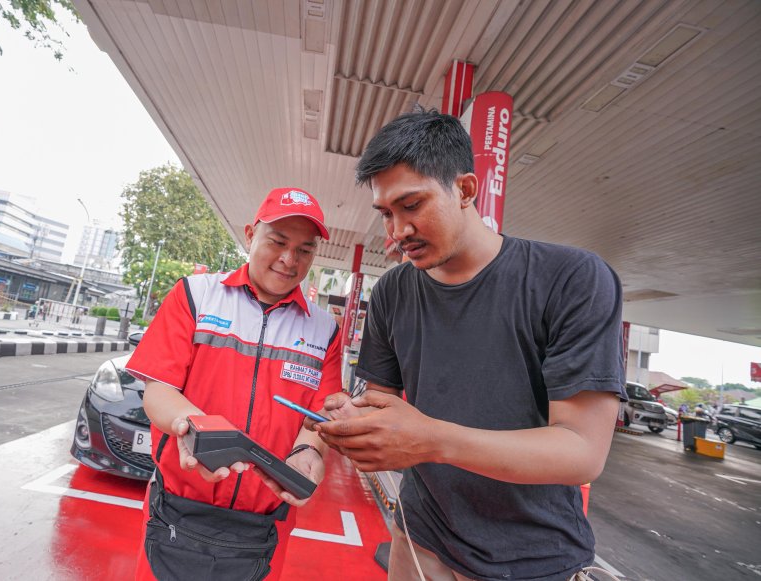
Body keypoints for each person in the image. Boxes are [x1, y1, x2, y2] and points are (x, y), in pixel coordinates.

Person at [311, 108, 627, 581]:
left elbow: (582, 451)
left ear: (465, 190)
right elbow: (380, 401)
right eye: (386, 214)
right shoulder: (394, 292)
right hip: (419, 539)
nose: (396, 233)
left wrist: (432, 441)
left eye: (411, 205)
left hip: (529, 560)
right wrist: (353, 418)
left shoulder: (570, 279)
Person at [125, 187, 343, 581]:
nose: (288, 259)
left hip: (264, 525)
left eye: (304, 250)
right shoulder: (195, 296)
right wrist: (196, 429)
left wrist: (310, 451)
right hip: (176, 508)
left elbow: (318, 418)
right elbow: (158, 391)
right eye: (277, 241)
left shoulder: (324, 329)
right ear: (249, 234)